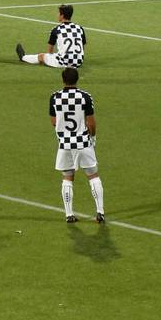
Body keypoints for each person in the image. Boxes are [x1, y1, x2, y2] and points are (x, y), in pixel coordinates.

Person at [49, 67, 104, 223]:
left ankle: (69, 214)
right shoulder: (85, 97)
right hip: (83, 142)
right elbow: (92, 123)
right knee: (93, 176)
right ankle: (100, 212)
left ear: (63, 80)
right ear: (77, 79)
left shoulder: (54, 98)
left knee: (67, 178)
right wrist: (92, 136)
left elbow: (54, 122)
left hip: (65, 144)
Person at [16, 4, 86, 69]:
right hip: (79, 62)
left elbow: (49, 52)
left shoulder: (57, 29)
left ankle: (23, 57)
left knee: (42, 56)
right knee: (59, 55)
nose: (57, 14)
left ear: (62, 16)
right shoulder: (79, 28)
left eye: (58, 13)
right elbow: (83, 47)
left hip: (64, 62)